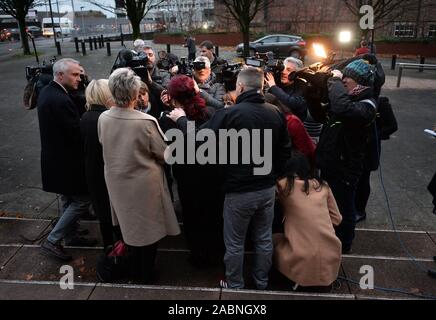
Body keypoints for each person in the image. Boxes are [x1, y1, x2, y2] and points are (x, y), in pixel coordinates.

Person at [197, 67, 292, 289]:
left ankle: (235, 284)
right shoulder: (275, 112)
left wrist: (181, 121)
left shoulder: (229, 114)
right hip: (266, 189)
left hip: (239, 191)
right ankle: (261, 281)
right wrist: (272, 175)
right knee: (263, 238)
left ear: (240, 87)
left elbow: (198, 140)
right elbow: (285, 151)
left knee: (235, 242)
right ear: (261, 87)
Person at [98, 68, 180, 283]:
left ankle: (134, 268)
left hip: (117, 183)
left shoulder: (103, 117)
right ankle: (144, 274)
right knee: (147, 233)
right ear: (135, 94)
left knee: (129, 229)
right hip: (144, 187)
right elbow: (165, 154)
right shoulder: (145, 122)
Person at [316, 59, 377, 254]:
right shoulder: (349, 98)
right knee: (332, 205)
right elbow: (321, 112)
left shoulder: (367, 105)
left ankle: (345, 244)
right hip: (333, 163)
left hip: (346, 168)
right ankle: (332, 237)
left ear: (359, 82)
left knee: (344, 207)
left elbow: (342, 108)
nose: (343, 83)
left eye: (346, 81)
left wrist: (334, 80)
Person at [38, 58, 96, 261]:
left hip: (57, 160)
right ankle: (52, 240)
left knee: (69, 199)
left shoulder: (48, 91)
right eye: (75, 74)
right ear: (60, 75)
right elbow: (76, 133)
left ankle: (70, 235)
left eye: (79, 74)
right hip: (67, 162)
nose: (79, 78)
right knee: (82, 200)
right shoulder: (60, 100)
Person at [162, 75, 222, 267]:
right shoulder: (211, 113)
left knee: (191, 217)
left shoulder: (170, 120)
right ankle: (214, 251)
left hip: (187, 176)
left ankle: (197, 255)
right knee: (212, 214)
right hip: (211, 174)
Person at [273, 152, 342, 289]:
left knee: (272, 239)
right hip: (331, 254)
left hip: (299, 256)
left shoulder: (284, 185)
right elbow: (337, 219)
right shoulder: (323, 186)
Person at [80, 79, 120, 251]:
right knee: (113, 213)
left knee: (103, 213)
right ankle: (120, 250)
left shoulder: (86, 116)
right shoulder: (106, 119)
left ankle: (109, 248)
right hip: (107, 170)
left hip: (92, 170)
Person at [265, 57, 308, 122]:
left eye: (288, 70)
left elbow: (293, 103)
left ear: (296, 74)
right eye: (283, 69)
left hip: (292, 125)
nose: (283, 72)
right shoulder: (276, 79)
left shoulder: (302, 85)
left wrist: (273, 87)